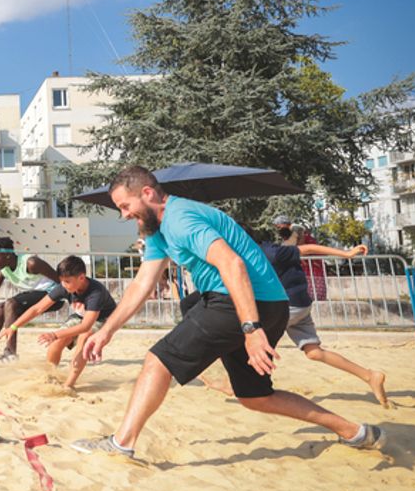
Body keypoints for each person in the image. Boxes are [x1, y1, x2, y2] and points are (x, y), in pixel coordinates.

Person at [71, 166, 384, 459]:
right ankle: (355, 432)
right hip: (260, 303)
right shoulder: (158, 231)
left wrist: (251, 329)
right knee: (255, 397)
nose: (125, 215)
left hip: (242, 302)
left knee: (158, 360)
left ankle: (121, 444)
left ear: (148, 194)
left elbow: (231, 263)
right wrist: (106, 330)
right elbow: (142, 283)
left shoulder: (180, 218)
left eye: (126, 206)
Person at [256, 226, 387, 406]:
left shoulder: (271, 253)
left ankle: (250, 387)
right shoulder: (261, 251)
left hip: (289, 306)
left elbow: (308, 249)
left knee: (256, 341)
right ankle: (370, 376)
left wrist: (346, 254)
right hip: (300, 305)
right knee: (314, 352)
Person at [0, 255, 119, 390]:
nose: (63, 285)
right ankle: (50, 377)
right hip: (80, 316)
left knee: (84, 338)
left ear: (81, 278)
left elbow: (86, 326)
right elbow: (37, 308)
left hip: (104, 319)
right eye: (61, 281)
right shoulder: (63, 287)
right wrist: (13, 326)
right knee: (57, 342)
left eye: (67, 281)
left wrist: (55, 334)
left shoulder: (96, 292)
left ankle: (68, 385)